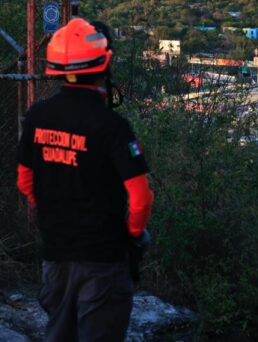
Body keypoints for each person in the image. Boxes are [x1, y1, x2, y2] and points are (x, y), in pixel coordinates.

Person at [16, 18, 154, 342]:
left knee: (59, 333)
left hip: (56, 251)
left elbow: (24, 181)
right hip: (103, 258)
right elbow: (141, 197)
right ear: (104, 63)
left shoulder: (37, 116)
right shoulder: (113, 127)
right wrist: (131, 234)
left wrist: (54, 210)